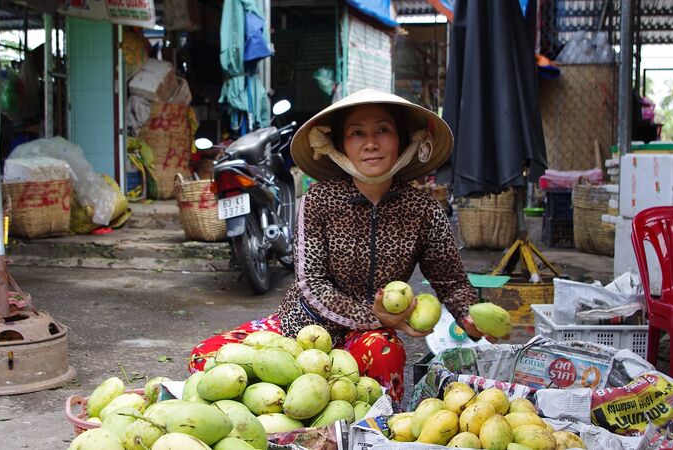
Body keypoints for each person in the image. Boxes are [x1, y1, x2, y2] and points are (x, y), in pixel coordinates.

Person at [189, 89, 490, 408]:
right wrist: (375, 316)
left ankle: (375, 433)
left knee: (384, 352)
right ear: (340, 145)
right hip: (302, 330)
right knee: (205, 358)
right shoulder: (317, 202)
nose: (370, 143)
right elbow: (312, 284)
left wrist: (469, 315)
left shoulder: (424, 211)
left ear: (402, 140)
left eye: (383, 130)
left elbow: (452, 281)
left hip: (367, 341)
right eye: (357, 133)